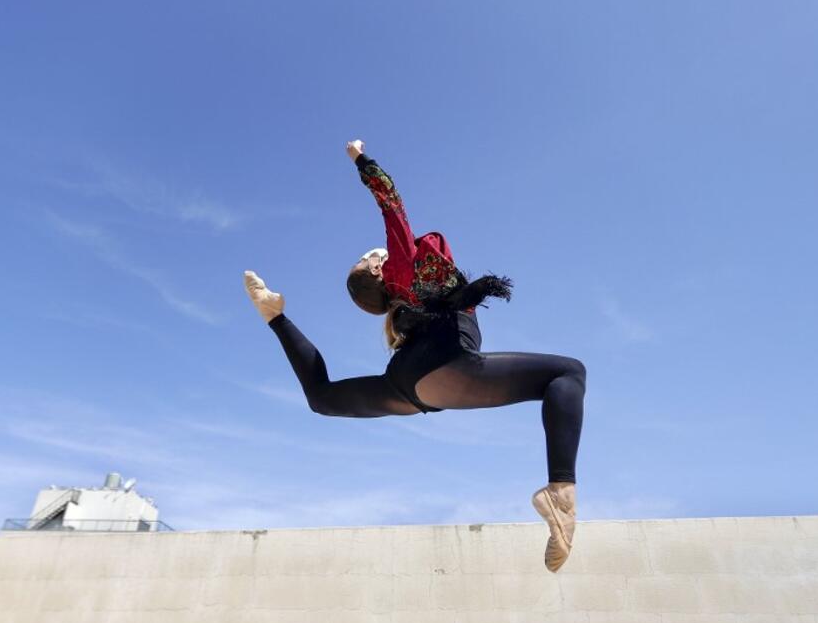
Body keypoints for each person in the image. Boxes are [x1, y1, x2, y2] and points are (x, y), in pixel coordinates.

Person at [243, 139, 586, 572]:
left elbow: (322, 396)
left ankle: (274, 316)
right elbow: (392, 204)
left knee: (323, 398)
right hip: (448, 361)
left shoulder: (403, 312)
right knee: (569, 373)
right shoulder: (404, 267)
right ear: (376, 272)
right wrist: (360, 159)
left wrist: (278, 319)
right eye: (372, 255)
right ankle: (561, 492)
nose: (377, 250)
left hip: (408, 384)